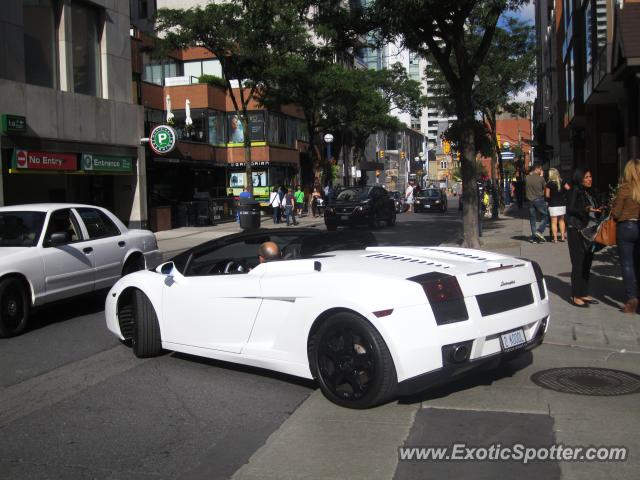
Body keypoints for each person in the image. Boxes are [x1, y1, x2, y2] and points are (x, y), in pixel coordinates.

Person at [566, 168, 602, 307]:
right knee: (578, 262)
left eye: (590, 176)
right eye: (586, 177)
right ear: (580, 178)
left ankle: (583, 292)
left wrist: (598, 209)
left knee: (587, 262)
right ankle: (576, 295)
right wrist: (587, 209)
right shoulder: (575, 190)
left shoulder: (589, 192)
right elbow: (570, 209)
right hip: (576, 230)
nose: (590, 179)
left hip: (589, 231)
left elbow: (592, 210)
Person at [611, 160, 640, 314]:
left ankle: (631, 298)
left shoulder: (625, 188)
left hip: (626, 228)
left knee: (627, 263)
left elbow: (616, 212)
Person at [525, 163, 549, 243]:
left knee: (533, 219)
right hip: (539, 199)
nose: (541, 171)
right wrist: (541, 176)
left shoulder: (527, 178)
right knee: (545, 215)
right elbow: (545, 187)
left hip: (530, 200)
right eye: (540, 169)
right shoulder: (540, 178)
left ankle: (534, 237)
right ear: (537, 169)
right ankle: (539, 231)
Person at [545, 168, 567, 243]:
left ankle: (555, 239)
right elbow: (569, 188)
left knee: (554, 222)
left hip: (553, 204)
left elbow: (547, 195)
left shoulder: (549, 183)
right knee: (561, 220)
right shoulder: (562, 181)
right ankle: (563, 237)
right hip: (562, 204)